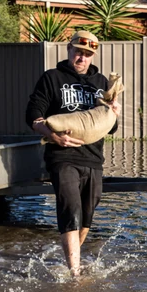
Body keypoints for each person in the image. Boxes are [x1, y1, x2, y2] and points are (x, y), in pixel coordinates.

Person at [26, 30, 121, 276]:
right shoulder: (52, 78)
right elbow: (33, 114)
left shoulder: (101, 83)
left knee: (88, 210)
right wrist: (50, 134)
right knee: (70, 205)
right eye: (78, 52)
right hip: (62, 155)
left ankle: (70, 256)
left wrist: (114, 113)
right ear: (69, 49)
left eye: (88, 54)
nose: (82, 58)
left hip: (93, 157)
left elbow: (111, 128)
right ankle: (75, 273)